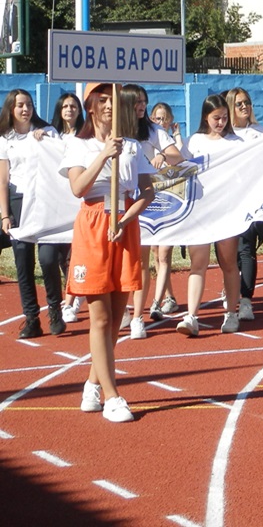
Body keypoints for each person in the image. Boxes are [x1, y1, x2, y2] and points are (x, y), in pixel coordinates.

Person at [61, 83, 155, 422]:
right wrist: (103, 154)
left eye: (113, 101)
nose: (109, 107)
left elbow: (148, 191)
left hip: (124, 224)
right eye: (102, 101)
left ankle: (92, 383)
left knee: (116, 318)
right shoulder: (79, 144)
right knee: (98, 316)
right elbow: (77, 188)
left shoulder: (132, 145)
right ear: (90, 107)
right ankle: (113, 395)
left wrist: (129, 215)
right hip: (93, 224)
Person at [0, 89, 66, 339]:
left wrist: (47, 140)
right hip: (18, 201)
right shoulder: (5, 139)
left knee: (48, 258)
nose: (25, 109)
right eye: (20, 105)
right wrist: (5, 214)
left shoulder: (47, 132)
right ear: (11, 109)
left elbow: (61, 157)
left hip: (44, 200)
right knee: (22, 262)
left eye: (28, 104)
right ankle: (31, 319)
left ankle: (55, 311)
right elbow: (3, 179)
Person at [120, 84, 184, 339]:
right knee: (124, 260)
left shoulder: (154, 131)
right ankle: (124, 309)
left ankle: (137, 316)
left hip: (146, 203)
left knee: (143, 261)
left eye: (144, 102)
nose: (141, 106)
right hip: (119, 201)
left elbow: (176, 156)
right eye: (136, 102)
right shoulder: (115, 131)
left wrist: (161, 157)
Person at [176, 95, 243, 337]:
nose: (221, 122)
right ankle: (191, 316)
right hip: (201, 210)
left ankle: (231, 313)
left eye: (225, 118)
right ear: (206, 117)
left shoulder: (236, 142)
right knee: (198, 263)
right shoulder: (195, 141)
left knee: (228, 263)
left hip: (226, 211)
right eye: (216, 118)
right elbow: (181, 168)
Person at [225, 88, 263, 321]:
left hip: (253, 201)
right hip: (229, 201)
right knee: (227, 251)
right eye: (239, 104)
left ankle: (246, 300)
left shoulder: (260, 133)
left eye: (247, 103)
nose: (244, 107)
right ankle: (230, 288)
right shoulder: (225, 135)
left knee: (246, 248)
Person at [50, 92, 85, 324]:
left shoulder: (84, 137)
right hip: (57, 203)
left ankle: (71, 300)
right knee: (60, 256)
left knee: (76, 254)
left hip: (79, 202)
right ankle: (73, 289)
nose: (69, 110)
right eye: (65, 106)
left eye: (73, 106)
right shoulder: (52, 136)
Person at [146, 102, 182, 320]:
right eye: (157, 118)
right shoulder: (148, 140)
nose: (160, 122)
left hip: (171, 202)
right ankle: (169, 296)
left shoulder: (175, 144)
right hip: (151, 203)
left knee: (164, 252)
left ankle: (156, 302)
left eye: (164, 119)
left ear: (170, 122)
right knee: (155, 254)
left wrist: (166, 157)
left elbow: (184, 162)